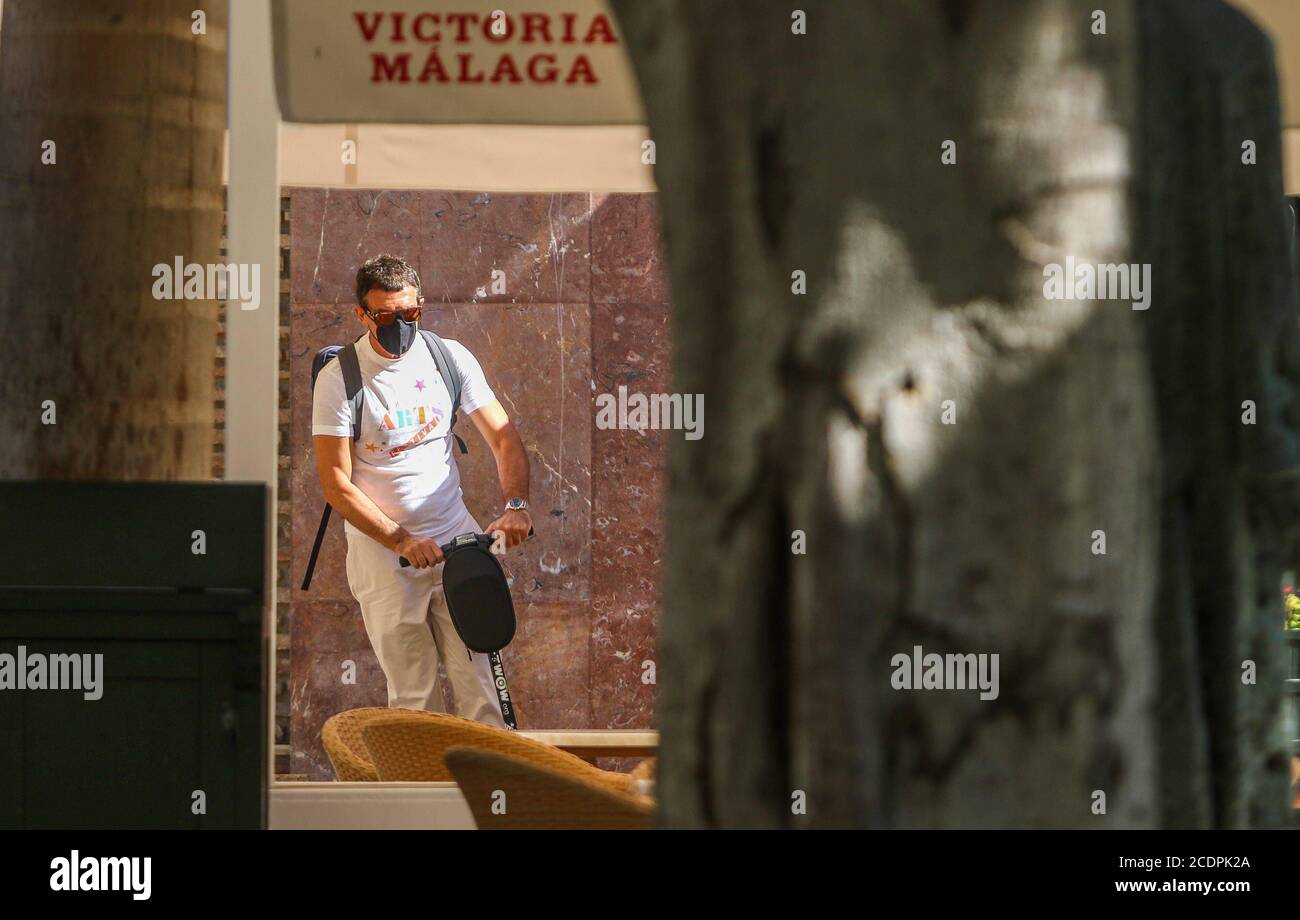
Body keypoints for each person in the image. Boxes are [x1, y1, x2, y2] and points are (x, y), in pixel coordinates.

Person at [312, 254, 532, 724]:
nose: (400, 325)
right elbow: (336, 484)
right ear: (363, 314)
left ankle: (488, 797)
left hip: (459, 546)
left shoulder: (447, 357)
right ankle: (420, 797)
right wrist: (402, 540)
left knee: (484, 696)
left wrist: (516, 505)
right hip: (386, 558)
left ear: (421, 305)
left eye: (409, 314)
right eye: (386, 316)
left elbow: (502, 436)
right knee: (415, 701)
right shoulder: (342, 380)